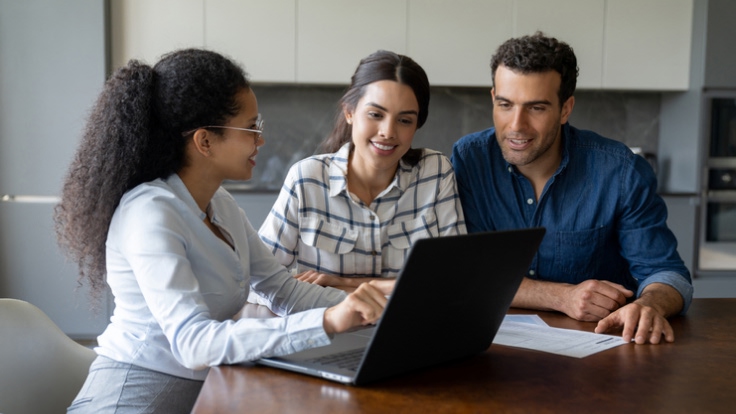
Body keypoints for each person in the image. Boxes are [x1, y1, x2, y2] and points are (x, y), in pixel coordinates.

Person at [54, 49, 387, 413]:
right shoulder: (149, 214)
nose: (260, 141)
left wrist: (379, 310)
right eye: (251, 128)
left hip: (201, 395)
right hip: (131, 399)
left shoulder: (220, 204)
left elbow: (284, 291)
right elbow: (193, 344)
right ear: (205, 141)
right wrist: (327, 321)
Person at [451, 32, 693, 345]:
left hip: (602, 350)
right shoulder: (470, 160)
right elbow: (469, 273)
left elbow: (668, 274)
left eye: (536, 108)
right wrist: (561, 296)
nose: (516, 125)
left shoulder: (620, 171)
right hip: (494, 350)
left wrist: (649, 305)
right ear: (493, 97)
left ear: (566, 109)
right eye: (505, 105)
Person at [257, 50, 466, 294]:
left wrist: (346, 284)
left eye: (405, 120)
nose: (388, 131)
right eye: (376, 115)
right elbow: (260, 280)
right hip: (326, 329)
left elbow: (457, 278)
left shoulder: (436, 172)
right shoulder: (307, 179)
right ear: (349, 112)